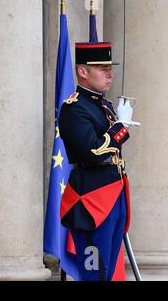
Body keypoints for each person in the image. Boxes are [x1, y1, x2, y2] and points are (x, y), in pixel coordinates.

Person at [58, 42, 136, 281]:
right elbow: (94, 153)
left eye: (109, 67)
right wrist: (119, 128)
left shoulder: (104, 105)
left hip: (114, 193)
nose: (110, 73)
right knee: (95, 272)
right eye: (102, 68)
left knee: (109, 269)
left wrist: (118, 127)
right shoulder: (74, 108)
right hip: (91, 199)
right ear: (83, 71)